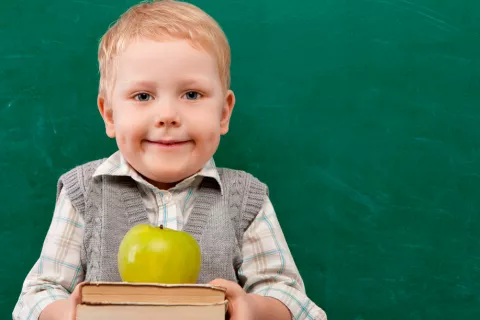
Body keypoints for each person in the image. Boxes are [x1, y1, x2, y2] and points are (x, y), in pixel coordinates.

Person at [13, 1, 327, 319]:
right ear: (109, 114)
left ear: (223, 112)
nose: (167, 116)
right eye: (143, 96)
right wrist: (69, 313)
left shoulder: (245, 198)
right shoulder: (84, 193)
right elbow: (36, 296)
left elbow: (289, 297)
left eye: (191, 94)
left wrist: (251, 308)